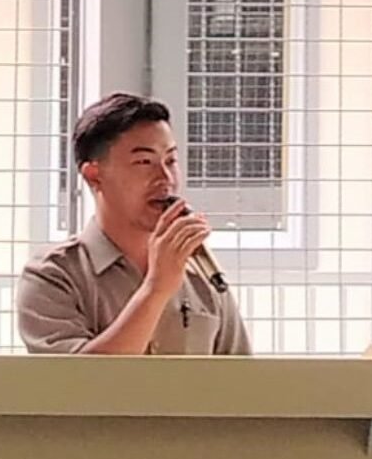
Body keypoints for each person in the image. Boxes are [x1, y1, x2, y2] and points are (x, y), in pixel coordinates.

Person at [16, 92, 251, 356]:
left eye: (171, 161)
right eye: (144, 162)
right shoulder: (53, 275)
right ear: (94, 175)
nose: (165, 178)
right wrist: (156, 288)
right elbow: (78, 378)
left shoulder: (204, 274)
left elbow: (242, 377)